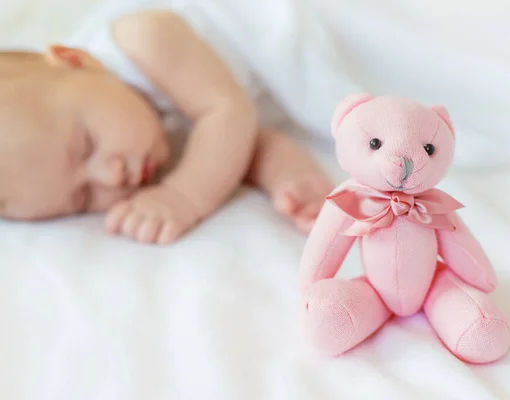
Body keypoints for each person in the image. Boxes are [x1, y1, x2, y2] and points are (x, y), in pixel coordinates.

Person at [0, 5, 333, 245]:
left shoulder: (139, 37)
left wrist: (182, 196)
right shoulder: (142, 140)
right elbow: (244, 145)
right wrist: (290, 179)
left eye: (87, 145)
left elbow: (229, 114)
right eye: (83, 198)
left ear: (75, 60)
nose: (111, 176)